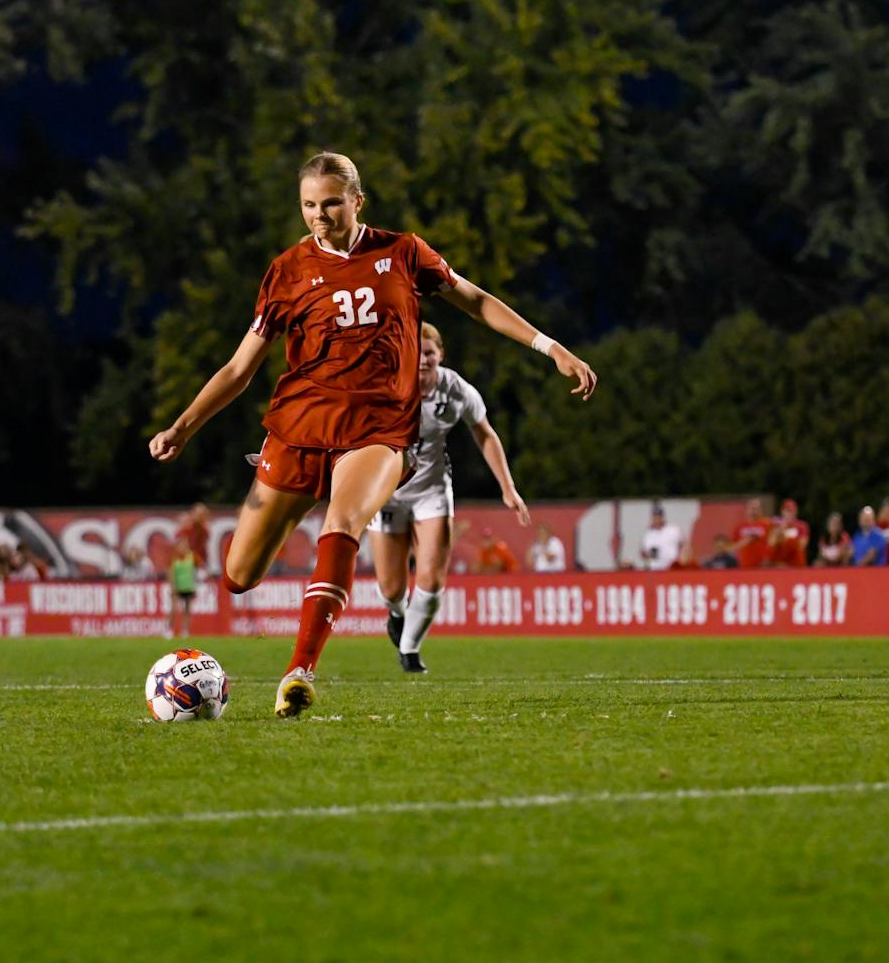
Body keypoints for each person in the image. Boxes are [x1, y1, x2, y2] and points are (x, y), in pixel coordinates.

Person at [149, 152, 596, 718]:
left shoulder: (403, 252)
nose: (320, 215)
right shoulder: (287, 270)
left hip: (379, 430)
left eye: (331, 203)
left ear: (358, 201)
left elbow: (475, 300)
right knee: (239, 576)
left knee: (343, 525)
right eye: (309, 205)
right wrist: (183, 425)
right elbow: (240, 368)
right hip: (298, 429)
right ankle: (286, 518)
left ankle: (299, 673)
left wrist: (550, 348)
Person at [370, 321, 529, 673]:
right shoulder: (383, 385)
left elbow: (484, 433)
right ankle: (397, 613)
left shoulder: (455, 389)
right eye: (417, 352)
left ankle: (410, 651)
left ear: (440, 355)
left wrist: (507, 487)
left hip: (432, 489)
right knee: (391, 588)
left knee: (431, 579)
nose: (423, 359)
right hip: (386, 492)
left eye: (430, 352)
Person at [727, 497, 774, 568]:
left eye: (757, 508)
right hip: (745, 567)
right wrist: (744, 542)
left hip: (763, 567)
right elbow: (730, 549)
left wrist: (768, 558)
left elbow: (773, 544)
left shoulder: (767, 525)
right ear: (747, 510)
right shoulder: (740, 527)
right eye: (752, 508)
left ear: (761, 510)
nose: (754, 511)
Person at [639, 503, 686, 570]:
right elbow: (643, 552)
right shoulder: (648, 534)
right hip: (655, 568)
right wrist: (648, 554)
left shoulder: (673, 530)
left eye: (659, 516)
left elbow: (684, 545)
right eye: (655, 516)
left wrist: (681, 558)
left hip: (672, 568)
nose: (657, 519)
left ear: (663, 517)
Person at [168, 541, 198, 637]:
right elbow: (171, 573)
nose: (183, 549)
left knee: (187, 610)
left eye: (185, 546)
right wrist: (173, 587)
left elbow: (197, 569)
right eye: (181, 546)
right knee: (173, 609)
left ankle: (185, 630)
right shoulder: (174, 558)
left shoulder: (192, 557)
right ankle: (169, 630)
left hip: (188, 586)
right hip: (178, 587)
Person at [768, 498, 810, 566]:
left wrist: (784, 537)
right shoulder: (777, 526)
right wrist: (781, 530)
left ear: (796, 511)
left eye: (792, 511)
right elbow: (771, 544)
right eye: (787, 511)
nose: (790, 513)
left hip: (796, 563)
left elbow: (802, 545)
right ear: (782, 511)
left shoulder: (802, 525)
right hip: (779, 564)